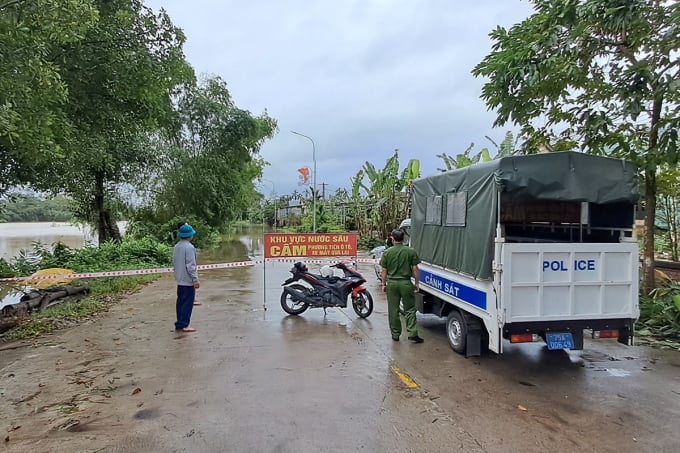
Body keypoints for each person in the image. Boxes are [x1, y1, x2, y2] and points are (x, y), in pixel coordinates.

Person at [380, 229, 423, 343]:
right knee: (410, 309)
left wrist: (383, 284)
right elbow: (415, 269)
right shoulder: (410, 251)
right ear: (403, 239)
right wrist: (417, 283)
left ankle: (395, 334)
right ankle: (412, 332)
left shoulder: (387, 252)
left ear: (392, 239)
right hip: (405, 283)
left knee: (393, 310)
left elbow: (384, 271)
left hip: (392, 284)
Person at [173, 223, 200, 333]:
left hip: (180, 280)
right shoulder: (189, 247)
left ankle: (180, 323)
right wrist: (195, 279)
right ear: (190, 235)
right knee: (187, 304)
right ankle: (184, 324)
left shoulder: (177, 246)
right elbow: (191, 265)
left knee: (180, 302)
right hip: (187, 280)